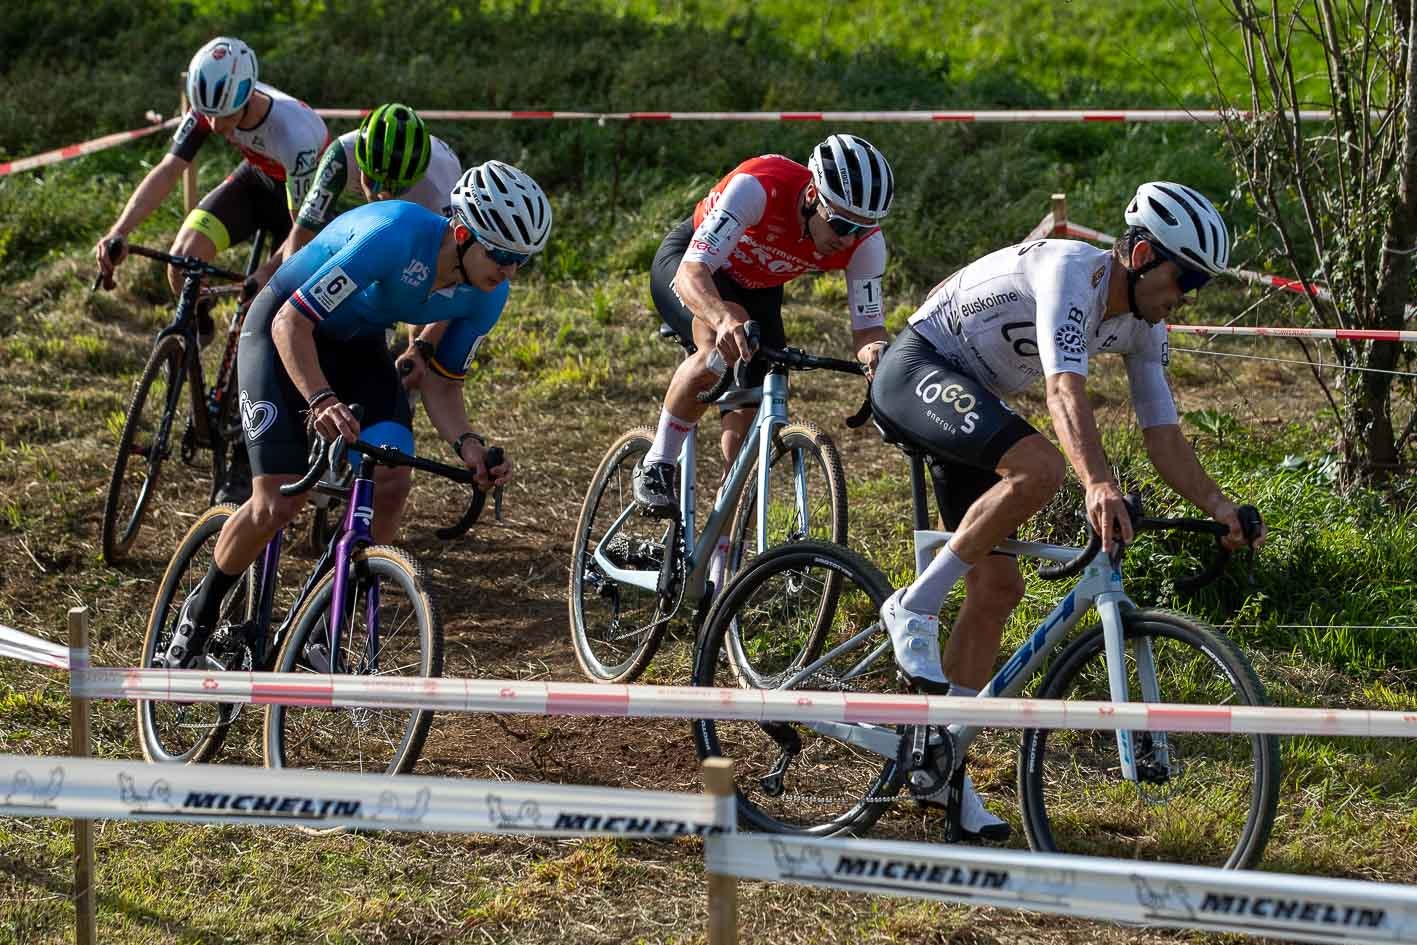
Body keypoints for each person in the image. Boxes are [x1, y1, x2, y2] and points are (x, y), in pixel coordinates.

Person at [868, 181, 1267, 841]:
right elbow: (1061, 388)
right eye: (1183, 277)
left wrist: (1220, 504)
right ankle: (910, 603)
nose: (1183, 296)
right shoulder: (1067, 271)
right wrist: (1096, 482)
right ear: (1139, 253)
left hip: (974, 397)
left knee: (997, 588)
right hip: (918, 368)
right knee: (1042, 468)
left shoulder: (1143, 326)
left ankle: (942, 765)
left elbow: (1161, 432)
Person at [154, 161, 552, 670]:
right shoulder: (395, 235)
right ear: (460, 232)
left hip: (358, 345)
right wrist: (320, 398)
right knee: (275, 502)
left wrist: (469, 445)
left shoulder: (488, 294)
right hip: (282, 329)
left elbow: (441, 382)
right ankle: (199, 613)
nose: (510, 270)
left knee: (393, 475)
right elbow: (291, 323)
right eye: (501, 255)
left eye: (522, 260)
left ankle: (326, 623)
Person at [632, 133, 895, 581]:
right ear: (812, 196)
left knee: (749, 424)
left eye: (861, 228)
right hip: (697, 266)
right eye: (842, 225)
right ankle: (657, 463)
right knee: (717, 348)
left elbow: (868, 329)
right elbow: (693, 271)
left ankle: (717, 556)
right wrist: (722, 318)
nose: (848, 238)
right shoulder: (758, 188)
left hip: (759, 288)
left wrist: (877, 358)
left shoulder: (865, 242)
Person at [94, 37, 328, 327]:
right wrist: (119, 231)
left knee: (268, 313)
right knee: (181, 263)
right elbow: (168, 170)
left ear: (246, 97)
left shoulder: (294, 135)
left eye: (226, 115)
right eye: (210, 115)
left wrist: (268, 272)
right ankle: (198, 333)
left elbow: (305, 229)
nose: (216, 126)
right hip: (257, 178)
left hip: (302, 205)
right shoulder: (210, 106)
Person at [281, 102, 464, 390]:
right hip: (349, 222)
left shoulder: (440, 185)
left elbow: (447, 282)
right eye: (374, 184)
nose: (383, 195)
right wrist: (291, 306)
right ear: (361, 168)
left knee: (418, 281)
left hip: (419, 233)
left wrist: (420, 348)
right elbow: (301, 236)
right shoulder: (342, 156)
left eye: (395, 190)